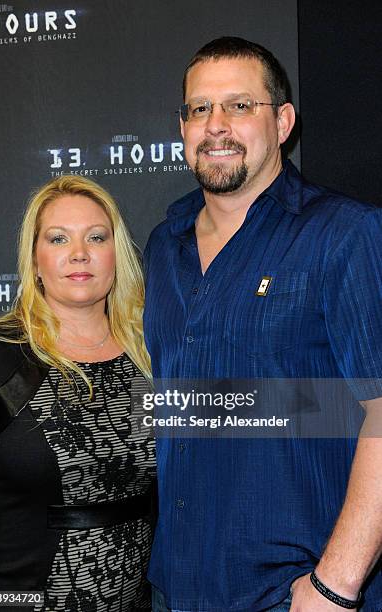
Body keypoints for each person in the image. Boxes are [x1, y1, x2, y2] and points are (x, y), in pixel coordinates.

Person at [144, 37, 382, 611]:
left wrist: (336, 585)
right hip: (178, 589)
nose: (216, 125)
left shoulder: (344, 234)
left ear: (282, 121)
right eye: (199, 109)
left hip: (294, 595)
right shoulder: (162, 244)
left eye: (239, 105)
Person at [0, 175, 156, 611]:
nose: (79, 254)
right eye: (58, 239)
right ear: (35, 260)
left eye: (97, 237)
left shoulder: (153, 356)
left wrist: (343, 410)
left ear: (118, 256)